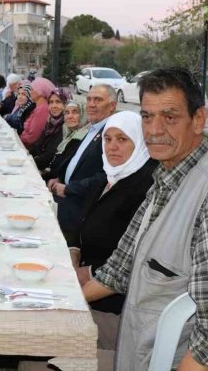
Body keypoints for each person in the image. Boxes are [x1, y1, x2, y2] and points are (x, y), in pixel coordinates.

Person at [82, 68, 208, 371]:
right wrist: (65, 304)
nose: (154, 130)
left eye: (169, 117)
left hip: (161, 358)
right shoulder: (167, 177)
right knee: (40, 337)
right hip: (135, 341)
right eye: (146, 116)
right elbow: (118, 271)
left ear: (198, 121)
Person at [68, 111, 158, 355]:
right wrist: (74, 251)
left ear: (139, 141)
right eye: (107, 139)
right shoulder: (108, 176)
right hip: (84, 278)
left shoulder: (145, 187)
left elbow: (131, 259)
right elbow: (82, 221)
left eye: (122, 139)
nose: (113, 147)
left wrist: (84, 274)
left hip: (111, 300)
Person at [46, 84, 117, 242]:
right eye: (89, 99)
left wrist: (68, 189)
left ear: (112, 106)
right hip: (65, 194)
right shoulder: (93, 128)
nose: (91, 104)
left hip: (79, 207)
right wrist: (59, 178)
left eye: (97, 100)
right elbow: (76, 161)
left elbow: (107, 177)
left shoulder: (112, 132)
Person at [40, 100, 88, 179]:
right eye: (67, 113)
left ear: (83, 115)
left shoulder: (81, 138)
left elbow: (64, 168)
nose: (70, 116)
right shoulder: (65, 130)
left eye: (75, 112)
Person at [29, 90, 68, 170]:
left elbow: (50, 155)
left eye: (58, 102)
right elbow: (37, 144)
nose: (54, 106)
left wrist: (29, 161)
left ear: (66, 104)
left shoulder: (67, 127)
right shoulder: (50, 123)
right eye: (51, 102)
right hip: (38, 165)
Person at [20, 77, 58, 147]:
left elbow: (33, 137)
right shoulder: (39, 107)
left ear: (39, 92)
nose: (29, 92)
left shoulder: (43, 109)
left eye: (32, 89)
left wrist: (18, 139)